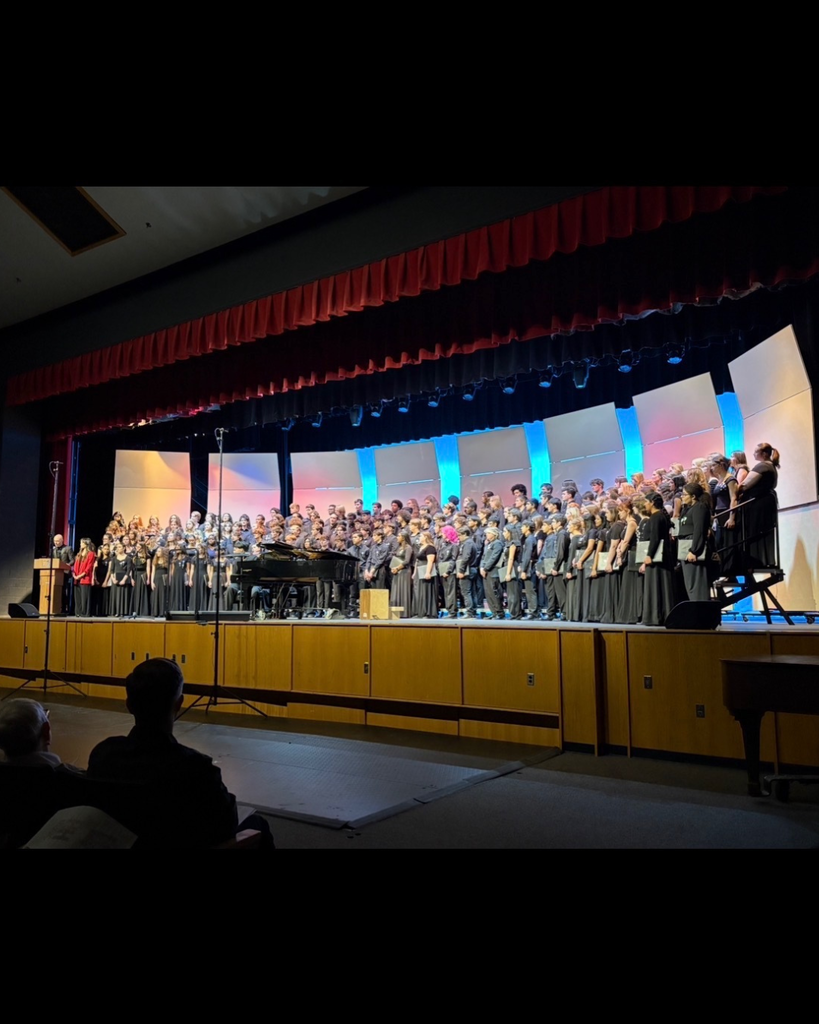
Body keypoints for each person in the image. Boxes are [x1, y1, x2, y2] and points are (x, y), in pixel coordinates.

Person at [86, 658, 273, 849]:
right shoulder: (197, 769)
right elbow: (226, 823)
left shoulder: (103, 754)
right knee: (258, 824)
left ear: (129, 705)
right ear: (179, 703)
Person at [736, 442, 780, 571]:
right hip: (764, 502)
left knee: (755, 530)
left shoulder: (762, 466)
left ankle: (755, 560)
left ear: (764, 454)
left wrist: (736, 493)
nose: (753, 454)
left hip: (759, 504)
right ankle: (762, 559)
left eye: (756, 452)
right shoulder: (770, 466)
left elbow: (744, 485)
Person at [72, 537, 96, 617]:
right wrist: (74, 575)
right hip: (77, 579)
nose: (80, 544)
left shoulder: (91, 554)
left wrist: (80, 576)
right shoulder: (79, 554)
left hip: (84, 579)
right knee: (78, 598)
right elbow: (75, 566)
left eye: (82, 543)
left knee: (84, 598)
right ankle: (78, 612)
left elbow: (89, 567)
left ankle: (85, 613)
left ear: (86, 544)